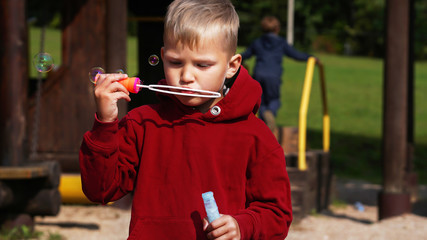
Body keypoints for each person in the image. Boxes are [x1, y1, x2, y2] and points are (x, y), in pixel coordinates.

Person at [79, 0, 292, 239]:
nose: (186, 76)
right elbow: (100, 190)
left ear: (232, 66)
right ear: (162, 57)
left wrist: (243, 226)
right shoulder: (143, 123)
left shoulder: (255, 135)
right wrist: (105, 125)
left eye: (202, 65)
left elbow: (277, 214)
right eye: (175, 62)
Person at [241, 16, 320, 134]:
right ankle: (270, 113)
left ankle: (264, 126)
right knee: (274, 100)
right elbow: (295, 55)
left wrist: (235, 61)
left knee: (260, 102)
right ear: (277, 29)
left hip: (258, 75)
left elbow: (246, 55)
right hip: (274, 76)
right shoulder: (281, 43)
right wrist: (311, 57)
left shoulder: (257, 42)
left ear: (262, 29)